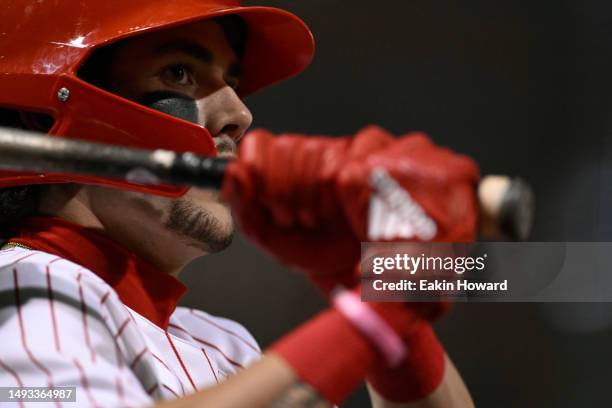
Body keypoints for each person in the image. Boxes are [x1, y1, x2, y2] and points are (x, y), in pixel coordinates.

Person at [0, 1, 477, 407]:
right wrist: (368, 324)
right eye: (180, 72)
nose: (239, 115)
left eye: (231, 81)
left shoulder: (227, 348)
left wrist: (381, 292)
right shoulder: (22, 290)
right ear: (43, 118)